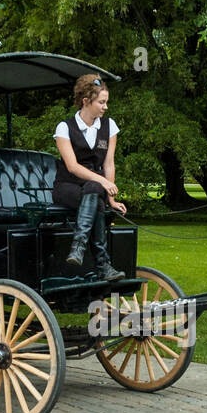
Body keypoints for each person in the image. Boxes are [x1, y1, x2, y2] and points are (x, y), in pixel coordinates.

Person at [53, 73, 127, 281]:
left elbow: (108, 163)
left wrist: (111, 198)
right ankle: (103, 265)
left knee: (95, 191)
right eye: (101, 102)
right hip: (67, 186)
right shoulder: (64, 128)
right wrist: (103, 181)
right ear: (86, 101)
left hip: (93, 189)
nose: (105, 107)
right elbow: (73, 166)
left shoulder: (109, 126)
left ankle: (78, 248)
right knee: (96, 197)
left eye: (106, 102)